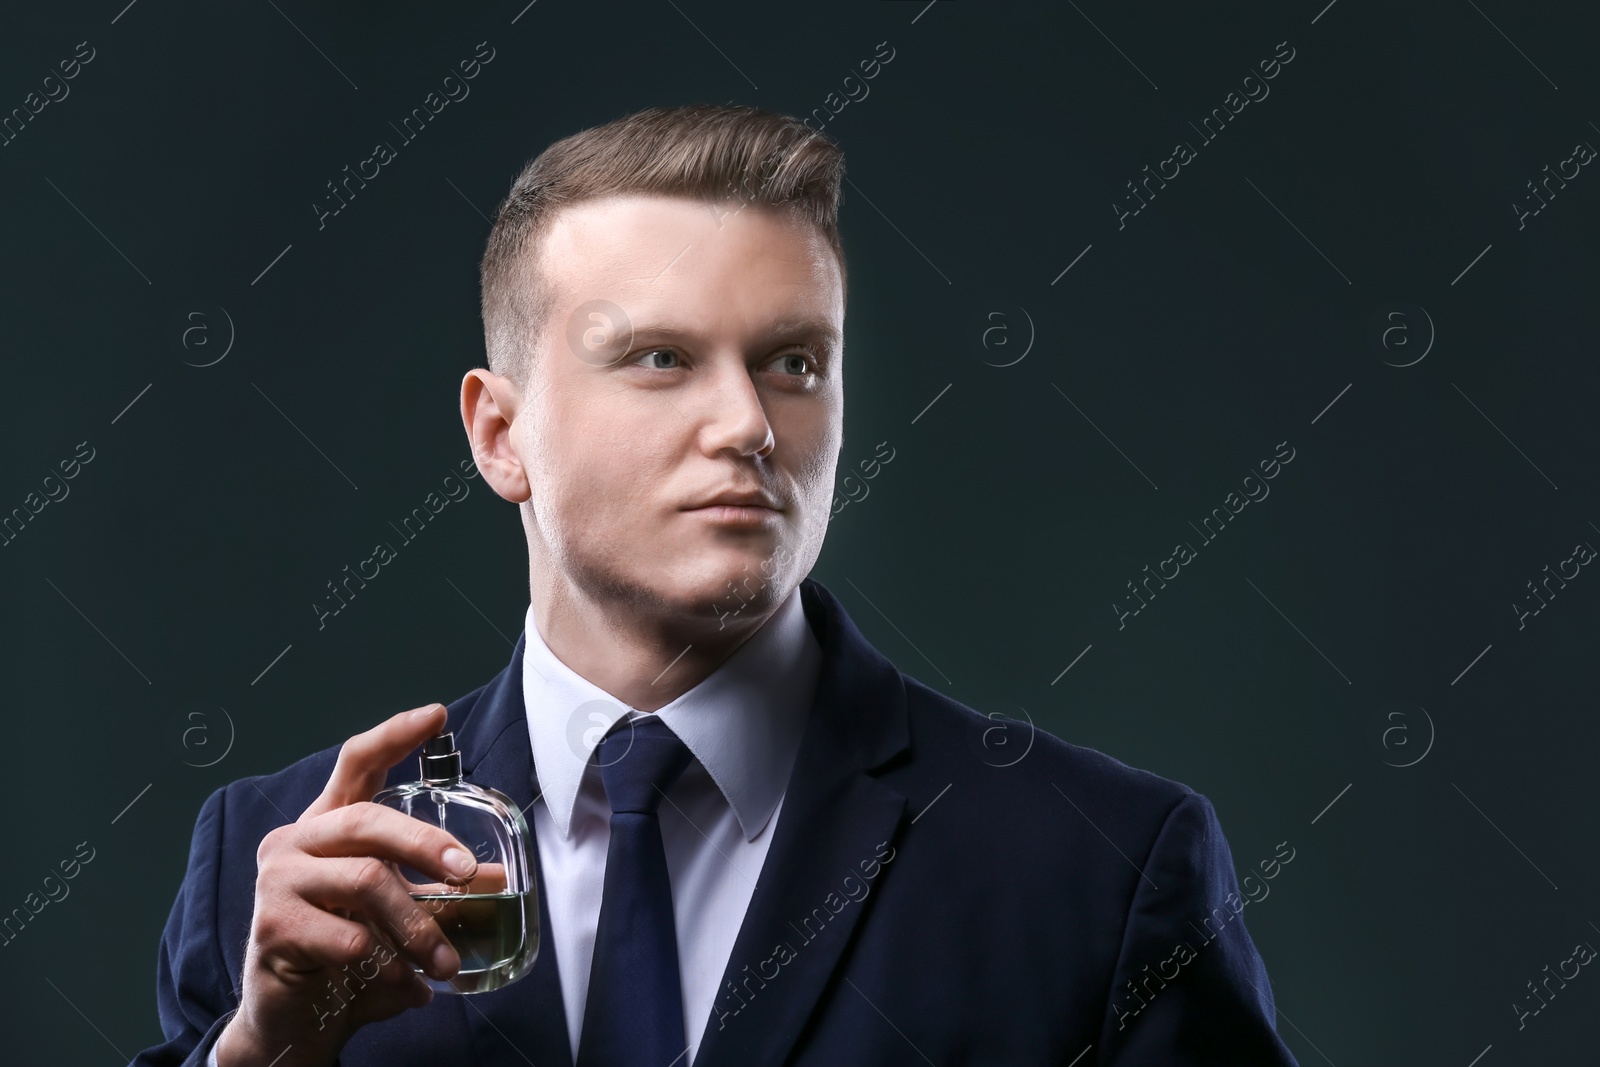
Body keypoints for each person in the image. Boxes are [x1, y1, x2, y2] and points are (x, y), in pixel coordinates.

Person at [135, 104, 1300, 1067]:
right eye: (660, 359)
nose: (748, 423)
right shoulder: (277, 858)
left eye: (794, 363)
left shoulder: (1098, 865)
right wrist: (262, 1053)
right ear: (499, 434)